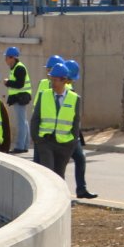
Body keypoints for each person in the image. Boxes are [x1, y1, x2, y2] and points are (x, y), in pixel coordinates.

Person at [30, 62, 81, 177]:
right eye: (51, 79)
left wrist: (72, 143)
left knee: (59, 176)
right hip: (46, 142)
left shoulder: (74, 98)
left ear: (64, 80)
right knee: (48, 173)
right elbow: (35, 119)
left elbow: (76, 122)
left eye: (55, 80)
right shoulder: (44, 95)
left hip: (64, 145)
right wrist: (37, 139)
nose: (52, 83)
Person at [63, 60, 97, 199]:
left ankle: (81, 189)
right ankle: (66, 192)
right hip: (64, 135)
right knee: (63, 165)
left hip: (72, 134)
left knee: (80, 159)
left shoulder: (68, 90)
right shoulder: (65, 91)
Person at [3, 46, 32, 154]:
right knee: (23, 122)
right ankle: (24, 145)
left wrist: (7, 82)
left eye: (6, 57)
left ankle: (20, 146)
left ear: (12, 58)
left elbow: (19, 84)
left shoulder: (19, 68)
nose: (5, 60)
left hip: (20, 97)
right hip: (19, 97)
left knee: (21, 123)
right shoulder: (16, 68)